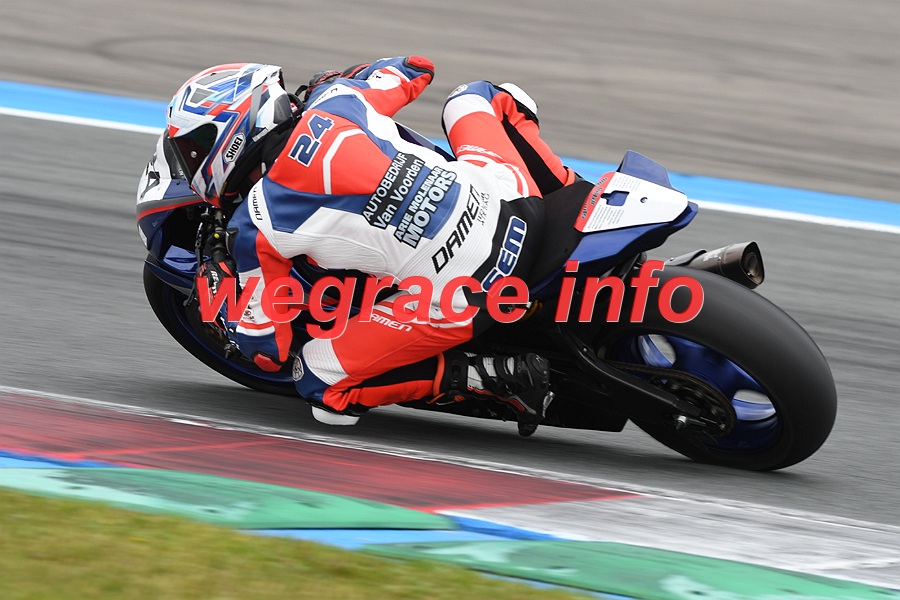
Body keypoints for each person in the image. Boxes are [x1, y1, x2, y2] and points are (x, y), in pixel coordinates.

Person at [163, 56, 578, 434]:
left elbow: (269, 352)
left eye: (195, 149)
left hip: (473, 289)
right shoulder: (338, 99)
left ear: (229, 139)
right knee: (476, 96)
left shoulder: (255, 222)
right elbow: (416, 68)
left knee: (317, 382)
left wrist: (222, 300)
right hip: (515, 200)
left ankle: (492, 375)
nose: (192, 160)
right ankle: (571, 192)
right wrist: (344, 77)